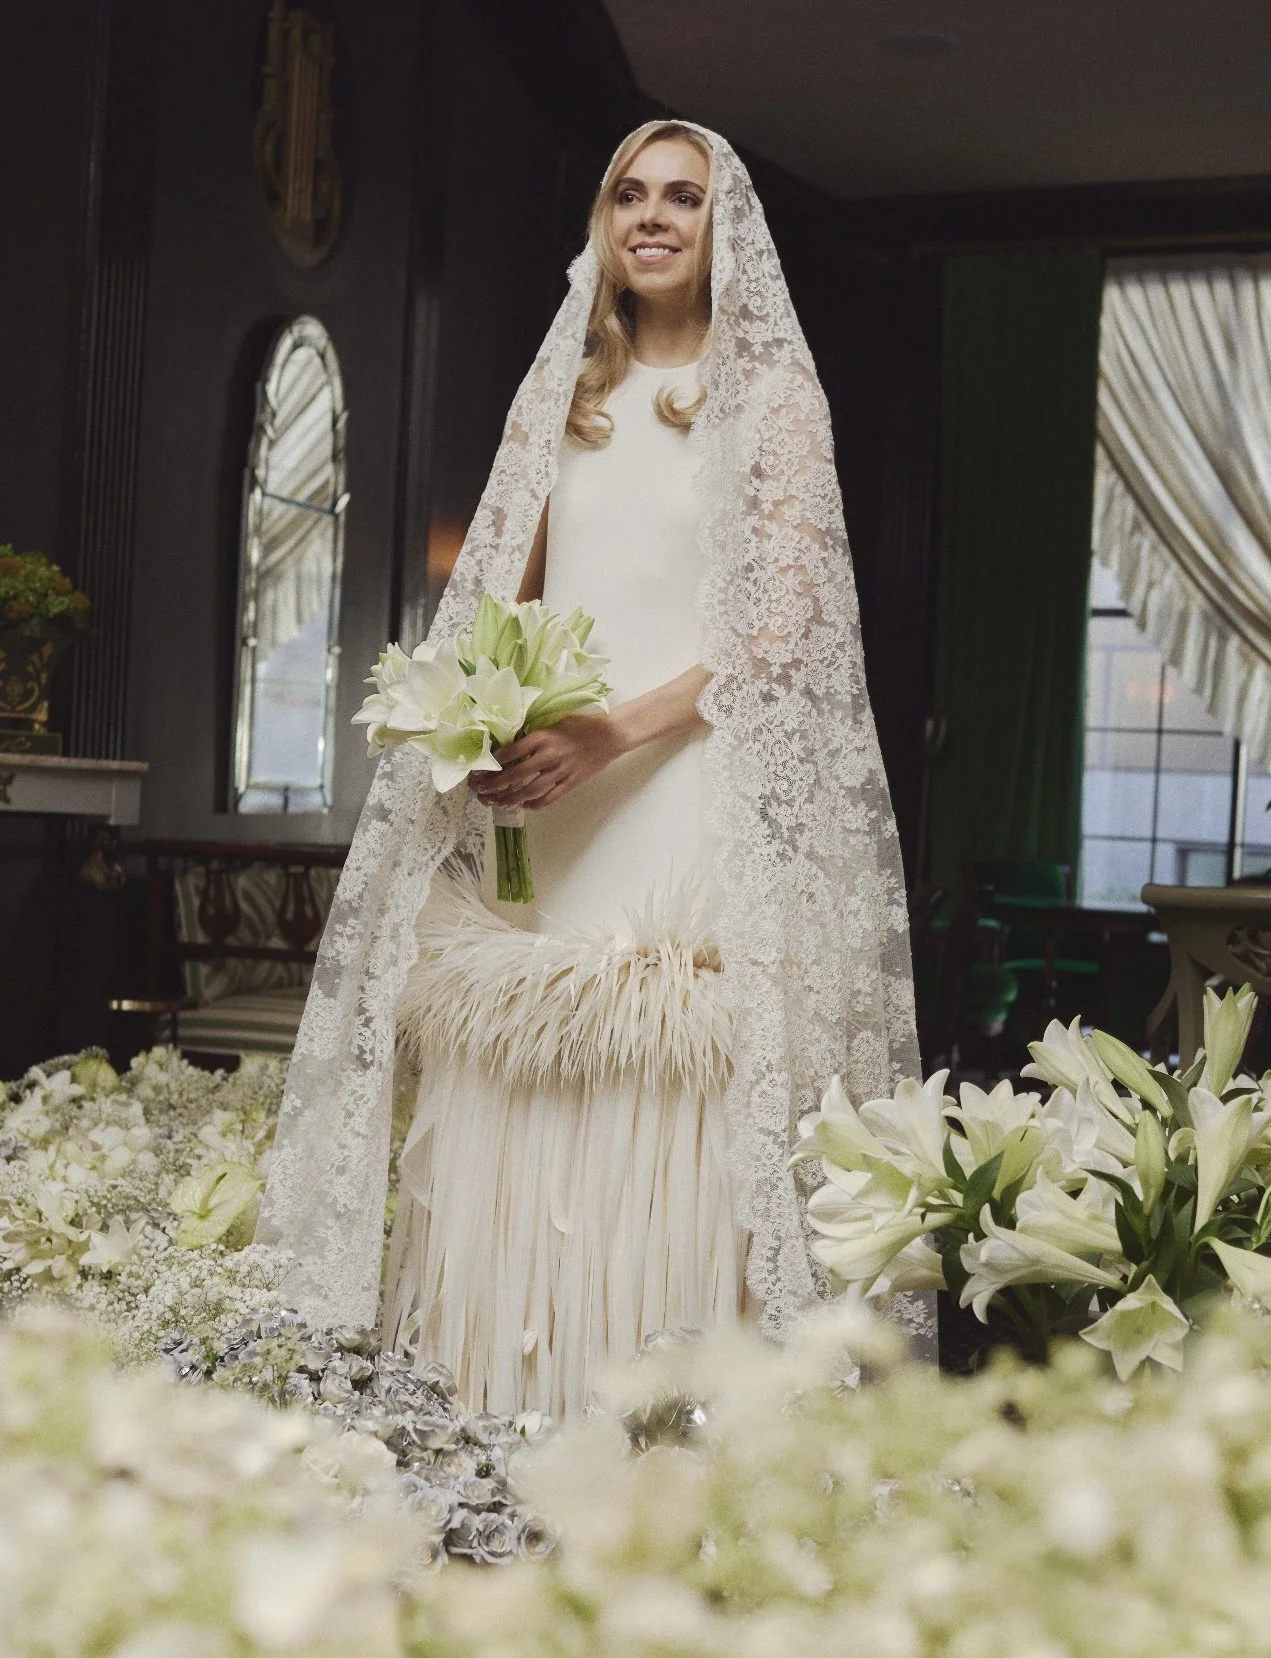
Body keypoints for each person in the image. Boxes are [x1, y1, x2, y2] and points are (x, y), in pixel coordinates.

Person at [256, 121, 932, 1413]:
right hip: (545, 794)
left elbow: (781, 634)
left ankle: (663, 1402)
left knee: (668, 1048)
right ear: (602, 225)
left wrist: (609, 733)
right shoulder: (565, 390)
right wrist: (478, 710)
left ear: (723, 227)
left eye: (684, 196)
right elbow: (502, 586)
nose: (654, 215)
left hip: (679, 784)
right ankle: (503, 1388)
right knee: (525, 1035)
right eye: (629, 193)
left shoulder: (769, 401)